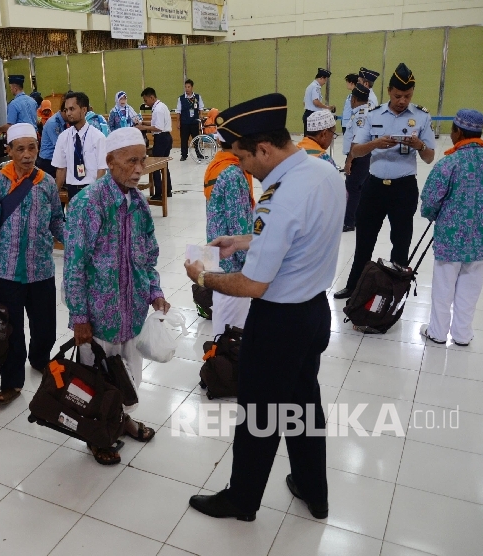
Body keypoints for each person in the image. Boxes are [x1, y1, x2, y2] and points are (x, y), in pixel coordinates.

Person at [184, 92, 345, 523]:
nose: (243, 167)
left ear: (265, 149)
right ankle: (315, 490)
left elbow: (252, 283)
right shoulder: (324, 174)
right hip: (313, 313)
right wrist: (245, 240)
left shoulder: (281, 197)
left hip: (278, 324)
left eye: (243, 157)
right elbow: (300, 237)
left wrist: (202, 277)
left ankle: (242, 500)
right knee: (303, 405)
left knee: (259, 413)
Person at [64, 126, 170, 466]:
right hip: (98, 316)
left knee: (129, 375)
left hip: (132, 310)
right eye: (131, 161)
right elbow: (74, 266)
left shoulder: (138, 204)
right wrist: (79, 316)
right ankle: (96, 435)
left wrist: (154, 292)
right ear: (110, 161)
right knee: (96, 379)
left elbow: (147, 255)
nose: (139, 169)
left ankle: (120, 419)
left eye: (142, 160)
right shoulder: (87, 204)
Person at [0, 123, 65, 406]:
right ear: (9, 150)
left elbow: (56, 221)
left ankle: (40, 360)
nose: (27, 155)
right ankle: (12, 382)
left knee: (46, 327)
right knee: (11, 331)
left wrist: (77, 244)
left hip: (41, 270)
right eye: (20, 149)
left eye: (32, 148)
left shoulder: (47, 182)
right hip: (7, 272)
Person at [334, 63, 436, 300]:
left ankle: (394, 291)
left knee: (400, 243)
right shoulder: (374, 114)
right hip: (374, 187)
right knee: (364, 241)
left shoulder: (421, 116)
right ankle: (353, 286)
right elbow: (356, 151)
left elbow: (430, 157)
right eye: (398, 95)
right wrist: (375, 144)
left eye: (408, 96)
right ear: (389, 91)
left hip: (404, 188)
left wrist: (419, 145)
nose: (402, 100)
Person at [419, 109, 483, 345]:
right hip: (481, 240)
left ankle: (438, 333)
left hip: (450, 240)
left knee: (443, 289)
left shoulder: (449, 163)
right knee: (470, 290)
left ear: (458, 132)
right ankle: (462, 334)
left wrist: (432, 215)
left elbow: (430, 200)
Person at [204, 135, 254, 335]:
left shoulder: (217, 165)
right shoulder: (233, 173)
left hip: (218, 255)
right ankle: (225, 359)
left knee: (223, 311)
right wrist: (248, 260)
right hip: (232, 262)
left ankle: (221, 356)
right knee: (232, 323)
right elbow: (237, 222)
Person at [53, 91, 107, 200]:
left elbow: (101, 170)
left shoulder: (98, 137)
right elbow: (61, 169)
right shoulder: (63, 137)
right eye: (66, 110)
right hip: (72, 189)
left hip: (92, 189)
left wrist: (96, 195)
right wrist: (54, 197)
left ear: (84, 110)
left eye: (72, 109)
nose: (68, 113)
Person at [342, 83, 372, 232]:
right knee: (360, 188)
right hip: (366, 155)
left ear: (353, 99)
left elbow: (356, 140)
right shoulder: (368, 111)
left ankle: (349, 222)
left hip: (358, 156)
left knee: (353, 188)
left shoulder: (360, 116)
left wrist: (349, 161)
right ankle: (357, 218)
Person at [137, 87, 173, 201]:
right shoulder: (161, 106)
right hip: (166, 138)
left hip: (161, 138)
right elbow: (154, 123)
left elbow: (158, 127)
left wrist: (142, 127)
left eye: (146, 100)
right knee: (164, 164)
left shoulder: (158, 109)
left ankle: (158, 193)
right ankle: (167, 190)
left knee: (156, 166)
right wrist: (143, 122)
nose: (145, 103)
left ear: (152, 97)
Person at [177, 79, 205, 162]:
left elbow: (201, 108)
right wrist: (178, 122)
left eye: (188, 87)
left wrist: (201, 116)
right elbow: (178, 111)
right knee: (184, 139)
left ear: (192, 87)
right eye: (185, 87)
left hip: (194, 122)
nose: (187, 89)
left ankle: (199, 154)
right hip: (184, 122)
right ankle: (184, 155)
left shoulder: (197, 97)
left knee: (196, 139)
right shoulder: (181, 98)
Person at [38, 104, 67, 178]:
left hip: (53, 159)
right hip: (48, 161)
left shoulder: (61, 121)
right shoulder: (53, 123)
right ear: (64, 111)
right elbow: (59, 145)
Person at [303, 68, 335, 135]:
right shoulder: (315, 87)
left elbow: (304, 102)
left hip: (308, 114)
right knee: (313, 138)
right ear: (321, 78)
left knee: (308, 138)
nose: (324, 83)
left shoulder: (310, 86)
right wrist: (327, 107)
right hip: (313, 115)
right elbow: (316, 102)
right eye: (325, 80)